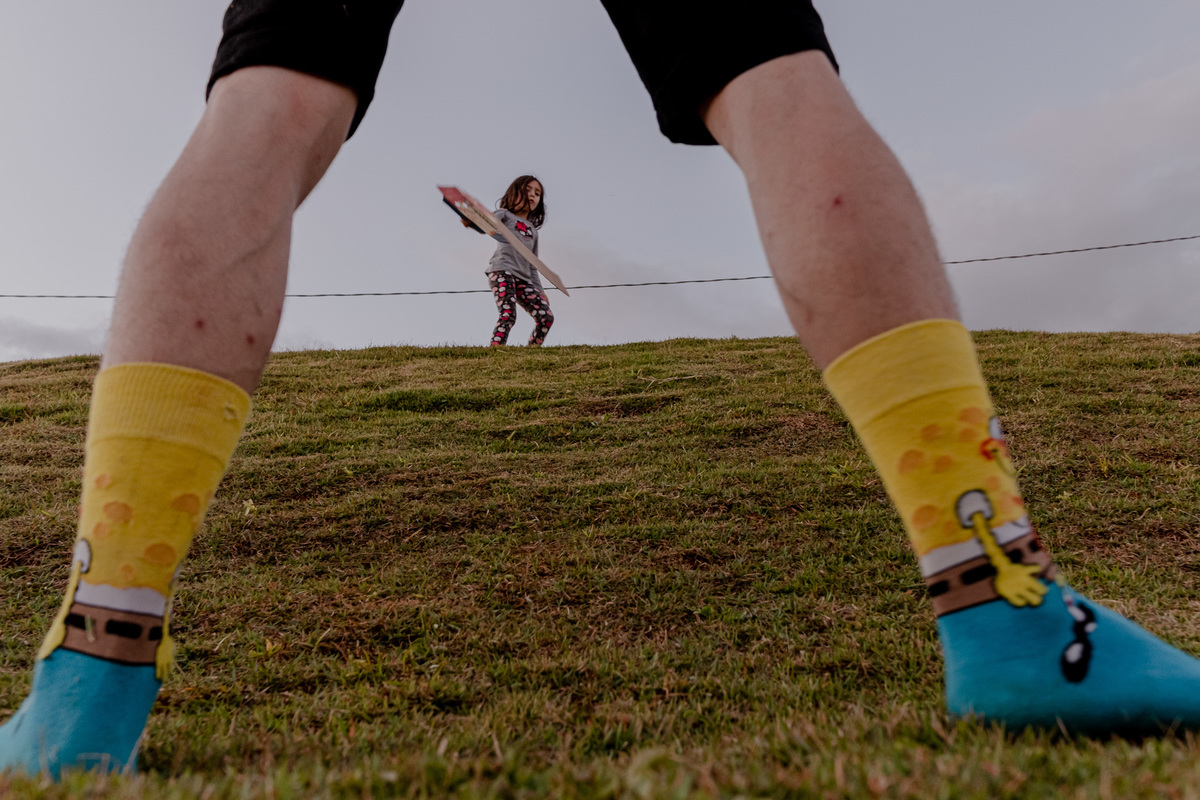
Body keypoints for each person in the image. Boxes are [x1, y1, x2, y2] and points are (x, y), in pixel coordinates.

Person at [3, 0, 1200, 778]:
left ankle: (95, 662)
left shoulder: (528, 217)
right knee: (770, 74)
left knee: (271, 98)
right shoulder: (508, 218)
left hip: (510, 267)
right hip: (511, 265)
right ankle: (999, 595)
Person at [480, 176, 554, 347]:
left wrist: (540, 290)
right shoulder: (505, 215)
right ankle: (496, 350)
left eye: (537, 193)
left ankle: (532, 352)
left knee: (546, 317)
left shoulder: (533, 232)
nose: (532, 195)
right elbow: (486, 223)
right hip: (501, 270)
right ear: (514, 194)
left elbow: (532, 264)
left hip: (524, 279)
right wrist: (471, 221)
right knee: (508, 314)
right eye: (527, 190)